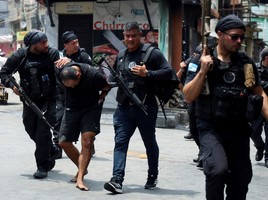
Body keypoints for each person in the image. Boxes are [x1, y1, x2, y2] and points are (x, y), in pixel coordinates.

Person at [183, 14, 268, 200]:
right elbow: (188, 95)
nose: (239, 41)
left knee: (241, 179)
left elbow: (259, 93)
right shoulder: (202, 60)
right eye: (234, 36)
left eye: (241, 38)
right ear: (220, 34)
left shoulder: (246, 63)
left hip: (238, 129)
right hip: (210, 128)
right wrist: (203, 72)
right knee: (217, 170)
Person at [103, 21, 176, 194]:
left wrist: (147, 73)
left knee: (149, 143)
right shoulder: (121, 55)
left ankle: (152, 175)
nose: (130, 39)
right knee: (120, 143)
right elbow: (115, 79)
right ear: (123, 36)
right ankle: (117, 179)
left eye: (134, 36)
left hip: (145, 107)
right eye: (127, 36)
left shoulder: (152, 53)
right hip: (123, 109)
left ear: (140, 35)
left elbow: (168, 72)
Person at [0, 30, 60, 179]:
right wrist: (13, 87)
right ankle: (50, 149)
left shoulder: (52, 54)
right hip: (29, 99)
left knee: (42, 133)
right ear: (33, 45)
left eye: (46, 41)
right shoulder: (20, 55)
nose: (47, 44)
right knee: (29, 127)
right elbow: (4, 74)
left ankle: (42, 166)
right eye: (43, 42)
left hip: (49, 99)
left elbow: (60, 72)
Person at [57, 63, 111, 191]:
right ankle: (83, 168)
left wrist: (102, 96)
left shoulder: (94, 75)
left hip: (90, 108)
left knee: (87, 141)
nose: (73, 87)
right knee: (63, 142)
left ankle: (80, 178)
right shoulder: (61, 73)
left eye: (74, 84)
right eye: (69, 86)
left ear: (78, 74)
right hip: (72, 108)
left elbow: (107, 86)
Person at [54, 31, 93, 158]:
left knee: (83, 124)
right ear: (66, 45)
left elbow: (90, 73)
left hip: (80, 97)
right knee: (59, 120)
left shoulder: (83, 56)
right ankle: (58, 148)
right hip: (63, 96)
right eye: (73, 43)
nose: (76, 45)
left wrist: (70, 63)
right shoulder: (59, 56)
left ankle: (89, 146)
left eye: (77, 42)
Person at [251, 47, 268, 168]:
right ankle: (260, 146)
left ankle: (267, 156)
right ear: (266, 58)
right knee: (253, 132)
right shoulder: (254, 68)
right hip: (257, 106)